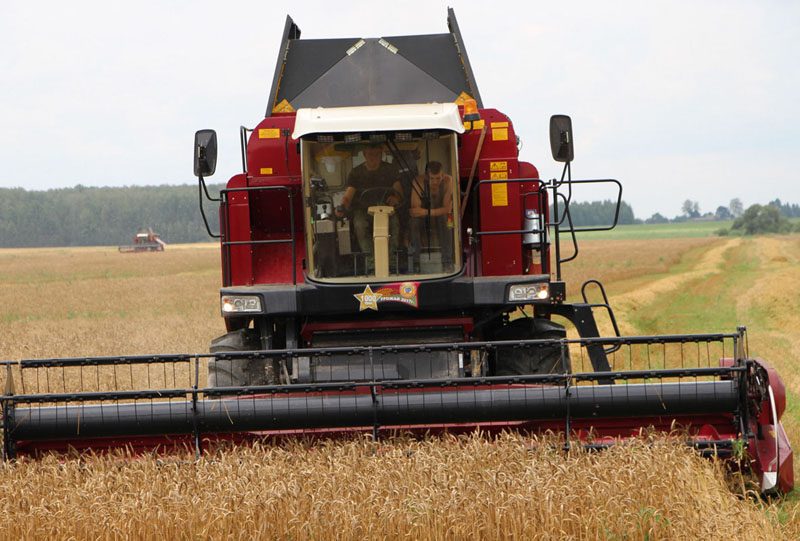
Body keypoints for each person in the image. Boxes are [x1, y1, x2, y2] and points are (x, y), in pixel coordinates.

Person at [336, 143, 403, 272]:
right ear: (364, 155)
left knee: (395, 224)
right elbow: (348, 196)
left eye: (377, 154)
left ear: (381, 154)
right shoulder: (356, 172)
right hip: (363, 209)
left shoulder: (390, 169)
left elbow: (398, 192)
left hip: (387, 208)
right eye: (371, 154)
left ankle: (391, 261)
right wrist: (342, 206)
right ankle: (372, 262)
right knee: (360, 225)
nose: (374, 157)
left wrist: (396, 198)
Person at [408, 161, 455, 272]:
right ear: (425, 176)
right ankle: (416, 263)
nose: (435, 182)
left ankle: (447, 262)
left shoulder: (449, 181)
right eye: (431, 178)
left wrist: (425, 212)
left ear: (442, 175)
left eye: (438, 178)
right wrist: (438, 211)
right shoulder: (417, 182)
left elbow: (448, 209)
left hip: (439, 217)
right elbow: (415, 210)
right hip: (423, 220)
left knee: (449, 220)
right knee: (413, 222)